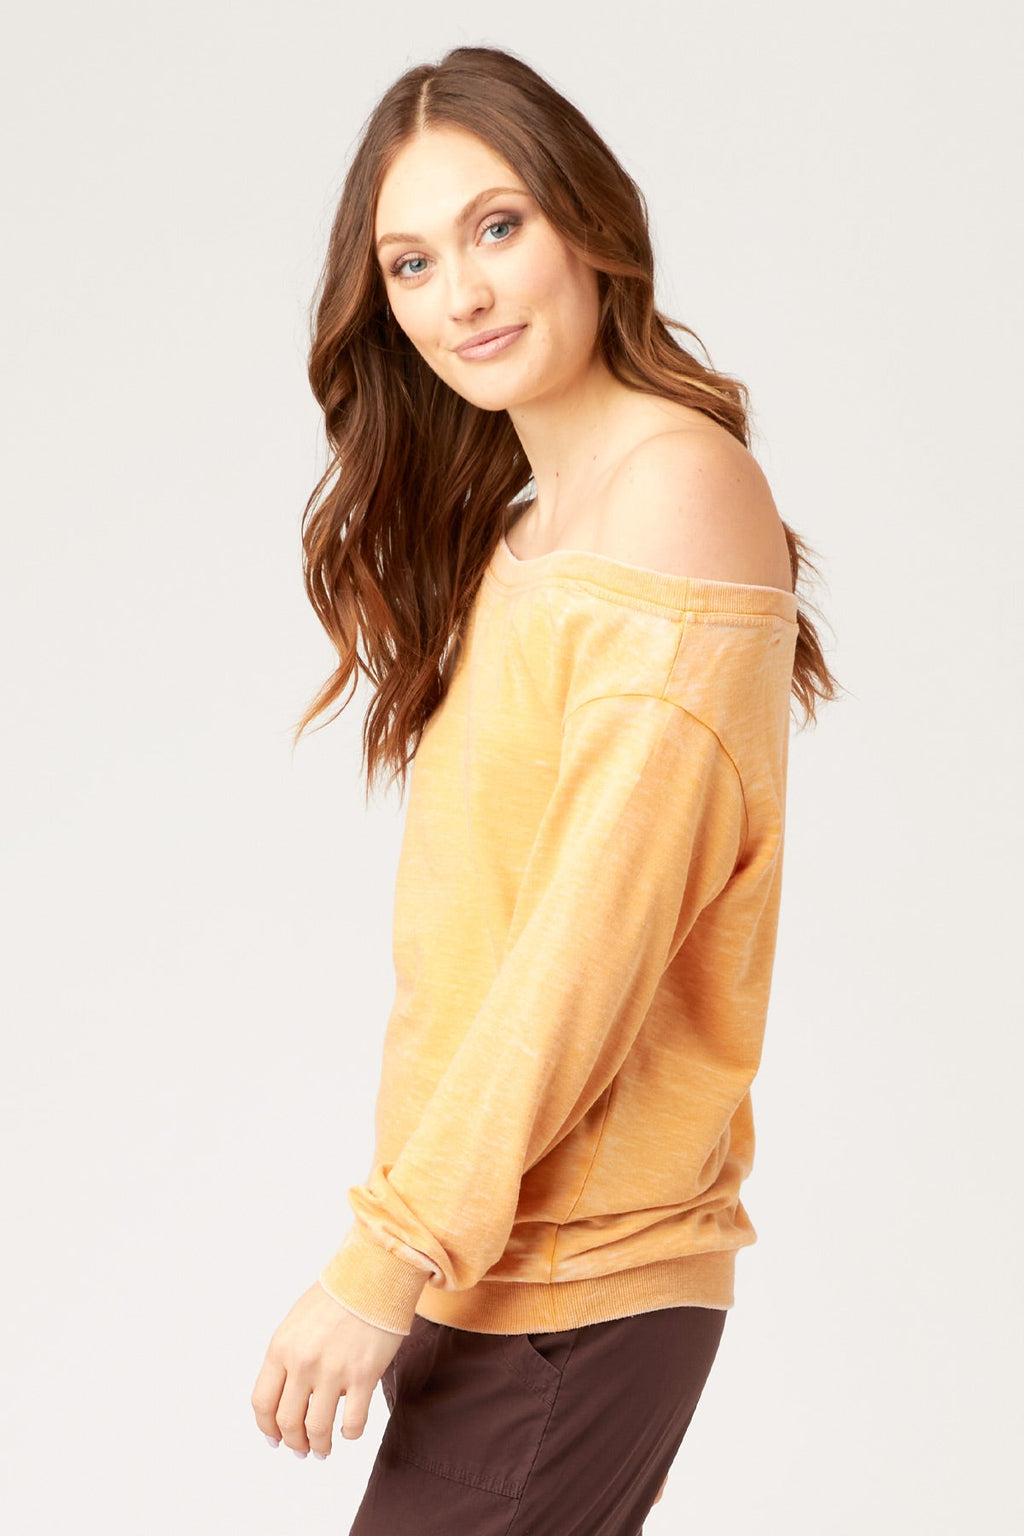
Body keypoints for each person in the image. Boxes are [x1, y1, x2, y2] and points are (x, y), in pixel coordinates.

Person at [250, 43, 842, 1536]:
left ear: (589, 222)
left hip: (576, 1280)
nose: (462, 293)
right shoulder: (527, 536)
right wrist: (421, 1254)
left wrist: (383, 1256)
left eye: (498, 226)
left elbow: (589, 943)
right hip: (497, 1266)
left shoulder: (679, 488)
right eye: (411, 262)